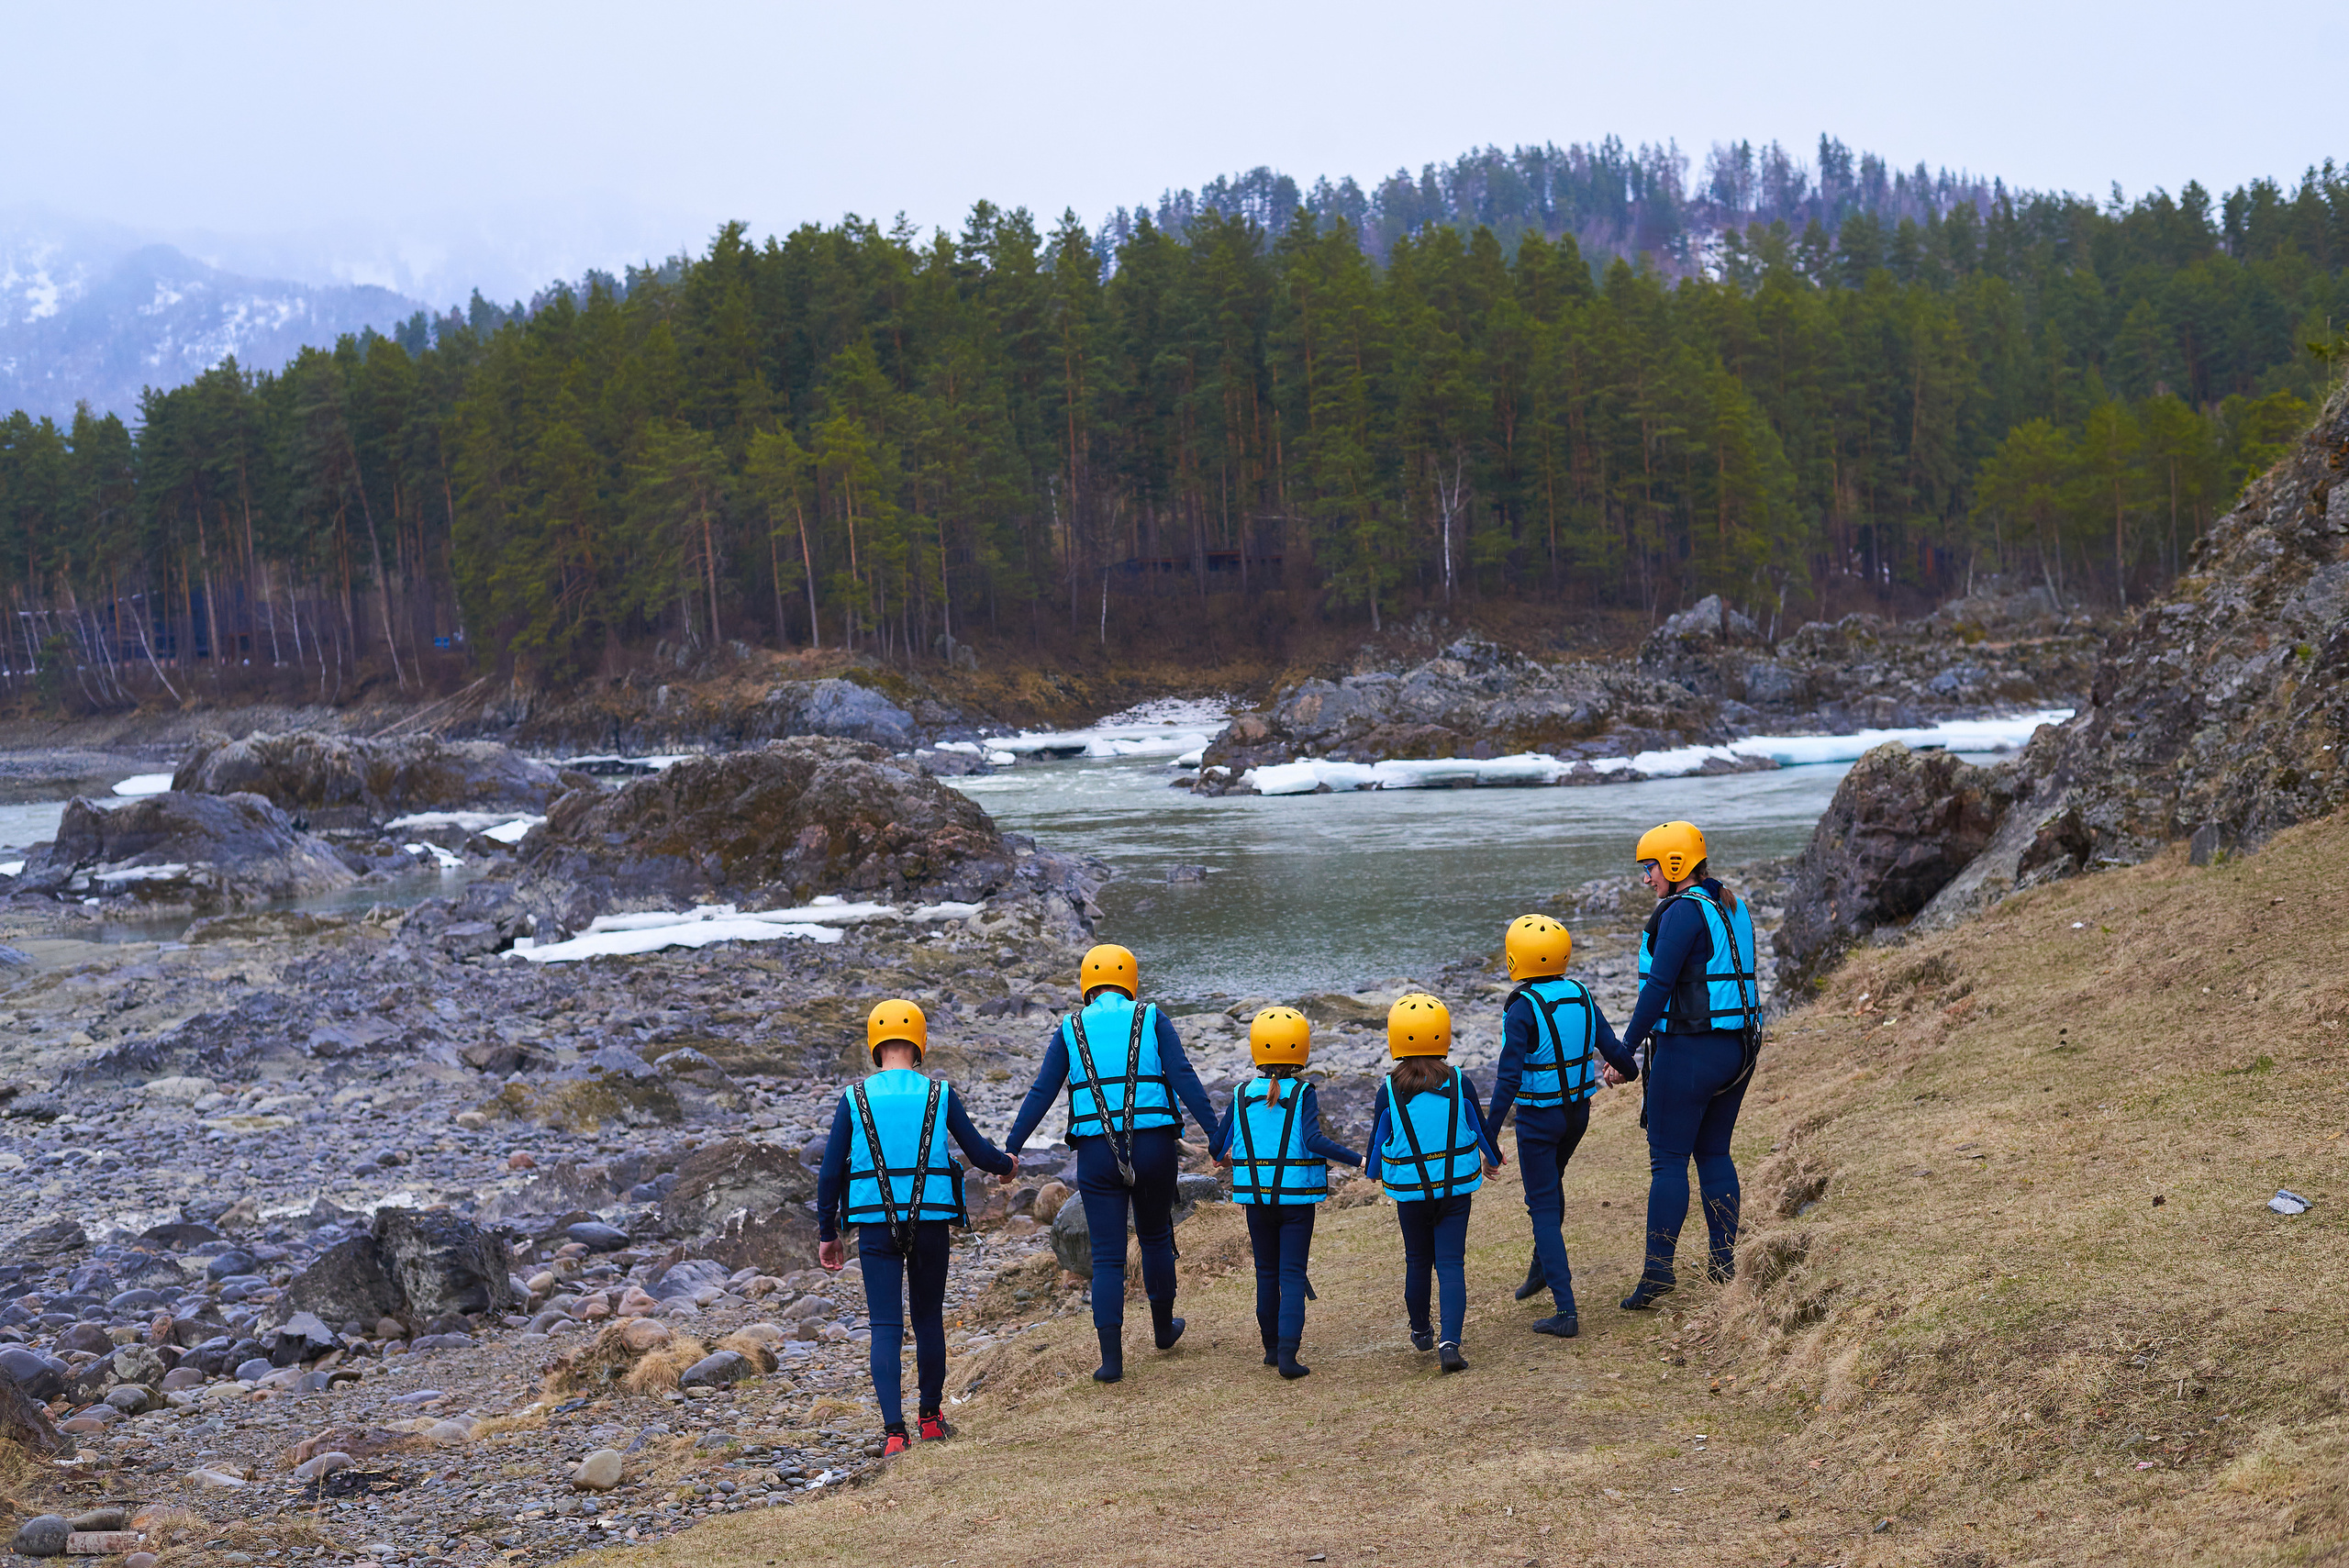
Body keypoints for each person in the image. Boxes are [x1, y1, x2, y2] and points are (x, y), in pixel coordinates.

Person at [1003, 943, 1225, 1384]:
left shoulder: (1071, 1027)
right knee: (1156, 1237)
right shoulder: (1151, 1017)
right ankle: (1164, 1331)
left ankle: (1111, 1362)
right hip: (1153, 1146)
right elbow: (1183, 1076)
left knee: (1106, 1258)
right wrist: (1217, 1138)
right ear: (1131, 981)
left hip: (1097, 1151)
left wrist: (1012, 1149)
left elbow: (1041, 1092)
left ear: (1087, 984)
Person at [816, 999, 1016, 1458]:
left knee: (885, 1326)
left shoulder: (854, 1099)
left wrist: (828, 1232)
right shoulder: (939, 1094)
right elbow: (978, 1152)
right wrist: (1007, 1165)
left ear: (875, 1045)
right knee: (927, 1320)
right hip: (929, 1222)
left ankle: (893, 1436)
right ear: (920, 1041)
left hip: (874, 1225)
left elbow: (829, 1173)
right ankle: (930, 1420)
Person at [1605, 820, 1764, 1310]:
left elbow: (1657, 987)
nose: (1646, 878)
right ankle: (1722, 1263)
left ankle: (1657, 1273)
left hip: (1692, 1051)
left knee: (1668, 1161)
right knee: (1714, 1153)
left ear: (1674, 864)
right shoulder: (1729, 905)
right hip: (1739, 1050)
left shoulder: (1680, 913)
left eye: (1649, 867)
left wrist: (1624, 1049)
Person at [1485, 914, 1637, 1339]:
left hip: (1538, 1120)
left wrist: (1487, 1137)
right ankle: (1540, 1270)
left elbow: (1508, 1079)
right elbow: (1617, 1053)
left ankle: (1566, 1312)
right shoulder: (1581, 994)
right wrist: (1624, 1070)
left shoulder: (1521, 1007)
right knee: (1551, 1187)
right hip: (1577, 1116)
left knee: (1544, 1207)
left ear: (1516, 959)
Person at [1214, 1006, 1362, 1380]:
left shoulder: (1240, 1094)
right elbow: (1312, 1140)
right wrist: (1358, 1160)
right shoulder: (1303, 1093)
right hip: (1296, 1201)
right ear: (1301, 1049)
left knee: (1266, 1272)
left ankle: (1270, 1350)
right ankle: (1288, 1357)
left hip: (1256, 1201)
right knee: (1292, 1274)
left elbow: (1218, 1146)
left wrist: (1226, 1155)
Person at [1366, 994, 1502, 1373]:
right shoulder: (1460, 1082)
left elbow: (1376, 1151)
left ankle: (1422, 1331)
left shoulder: (1389, 1090)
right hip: (1455, 1189)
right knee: (1451, 1263)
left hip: (1410, 1193)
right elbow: (1483, 1130)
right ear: (1444, 1035)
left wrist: (1374, 1173)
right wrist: (1493, 1160)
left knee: (1417, 1260)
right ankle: (1450, 1344)